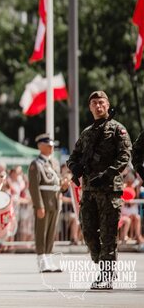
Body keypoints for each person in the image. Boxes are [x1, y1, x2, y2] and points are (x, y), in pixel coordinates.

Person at [67, 91, 131, 290]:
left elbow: (124, 155)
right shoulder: (87, 133)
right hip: (89, 191)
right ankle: (105, 266)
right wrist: (73, 167)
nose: (98, 106)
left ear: (107, 104)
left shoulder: (116, 129)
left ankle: (106, 274)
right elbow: (73, 156)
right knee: (88, 233)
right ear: (90, 107)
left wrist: (108, 173)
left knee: (108, 234)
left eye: (101, 102)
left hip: (109, 190)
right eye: (94, 103)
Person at [28, 133, 66, 273]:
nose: (51, 148)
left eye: (52, 146)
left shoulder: (54, 163)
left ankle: (49, 258)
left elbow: (58, 183)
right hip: (44, 201)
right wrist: (39, 205)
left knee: (51, 232)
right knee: (41, 232)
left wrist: (64, 186)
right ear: (40, 146)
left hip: (55, 201)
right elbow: (33, 186)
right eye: (48, 146)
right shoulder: (36, 164)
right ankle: (41, 260)